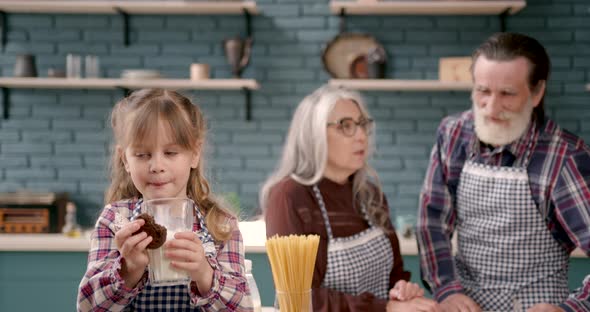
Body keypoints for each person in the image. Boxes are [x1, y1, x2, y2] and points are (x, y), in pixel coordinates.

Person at [417, 32, 590, 312]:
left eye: (507, 93)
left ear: (537, 93)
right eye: (483, 91)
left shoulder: (565, 157)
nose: (491, 108)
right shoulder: (453, 134)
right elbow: (433, 221)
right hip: (463, 305)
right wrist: (446, 289)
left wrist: (572, 308)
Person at [261, 85, 440, 312]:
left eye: (362, 124)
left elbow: (395, 276)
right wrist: (385, 307)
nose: (361, 135)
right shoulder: (289, 197)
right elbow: (301, 299)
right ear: (313, 135)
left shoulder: (370, 194)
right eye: (346, 126)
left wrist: (401, 290)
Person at [77, 89, 252, 311]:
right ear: (125, 160)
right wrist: (128, 269)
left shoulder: (221, 224)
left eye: (170, 153)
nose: (157, 166)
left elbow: (244, 307)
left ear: (194, 154)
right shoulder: (114, 221)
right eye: (142, 155)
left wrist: (204, 274)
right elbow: (86, 306)